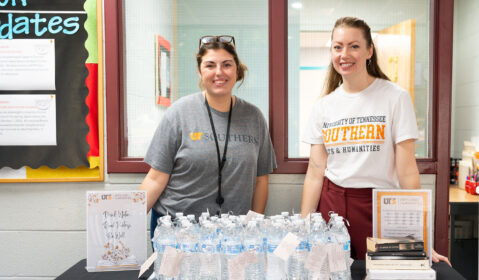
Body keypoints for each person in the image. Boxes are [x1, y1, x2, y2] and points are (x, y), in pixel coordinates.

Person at [300, 17, 449, 264]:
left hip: (378, 208)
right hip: (331, 206)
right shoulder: (324, 106)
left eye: (354, 46)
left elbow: (408, 172)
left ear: (370, 50)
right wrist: (304, 226)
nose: (344, 54)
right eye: (337, 47)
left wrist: (422, 240)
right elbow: (315, 173)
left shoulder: (395, 97)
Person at [140, 35, 276, 238]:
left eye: (227, 65)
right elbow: (155, 178)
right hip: (177, 231)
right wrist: (125, 226)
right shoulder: (179, 113)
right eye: (210, 65)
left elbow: (260, 180)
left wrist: (253, 226)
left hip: (233, 234)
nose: (219, 72)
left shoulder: (253, 117)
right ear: (199, 70)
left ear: (236, 69)